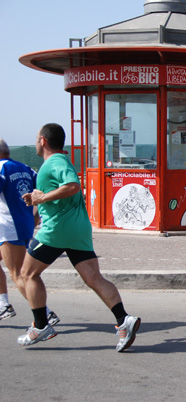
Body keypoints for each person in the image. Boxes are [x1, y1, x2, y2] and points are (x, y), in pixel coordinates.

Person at [17, 123, 140, 352]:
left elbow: (72, 186)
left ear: (43, 140)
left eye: (36, 138)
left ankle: (41, 325)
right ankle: (124, 320)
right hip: (77, 229)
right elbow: (56, 193)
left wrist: (41, 199)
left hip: (58, 230)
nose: (35, 142)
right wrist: (38, 200)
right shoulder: (56, 163)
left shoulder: (55, 161)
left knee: (27, 274)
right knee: (93, 278)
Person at [0, 138, 59, 326]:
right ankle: (3, 304)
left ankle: (46, 313)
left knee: (18, 274)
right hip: (23, 223)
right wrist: (35, 218)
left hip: (9, 227)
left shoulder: (1, 168)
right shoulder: (25, 168)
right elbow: (42, 191)